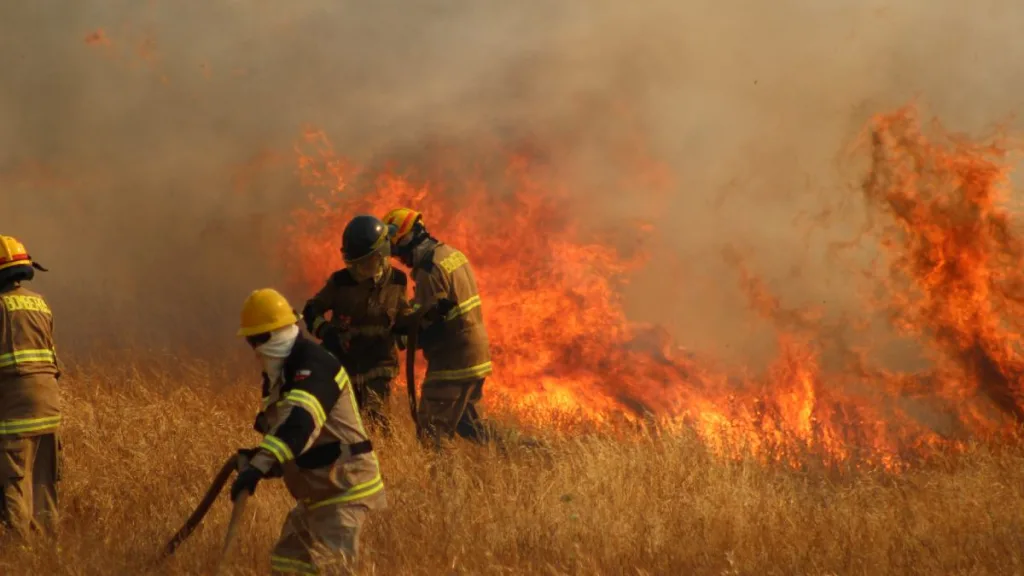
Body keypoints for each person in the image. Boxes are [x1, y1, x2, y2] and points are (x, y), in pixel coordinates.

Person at [230, 288, 386, 574]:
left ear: (276, 333)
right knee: (286, 563)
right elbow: (289, 441)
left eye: (257, 340)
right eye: (251, 341)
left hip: (346, 493)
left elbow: (299, 427)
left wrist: (259, 466)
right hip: (318, 495)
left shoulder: (314, 366)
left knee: (331, 569)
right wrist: (257, 462)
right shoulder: (282, 374)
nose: (255, 350)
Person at [381, 208, 492, 446]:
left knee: (432, 433)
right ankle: (523, 451)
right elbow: (440, 306)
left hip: (453, 361)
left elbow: (434, 327)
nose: (400, 259)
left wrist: (399, 339)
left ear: (406, 239)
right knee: (471, 426)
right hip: (477, 354)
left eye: (397, 251)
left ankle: (444, 475)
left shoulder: (429, 270)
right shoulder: (451, 254)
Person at [301, 215, 410, 433]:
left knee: (379, 425)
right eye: (354, 264)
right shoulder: (340, 282)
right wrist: (325, 331)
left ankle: (383, 454)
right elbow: (311, 310)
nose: (358, 270)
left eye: (364, 263)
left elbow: (402, 315)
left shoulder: (398, 281)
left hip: (380, 366)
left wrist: (412, 324)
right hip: (345, 366)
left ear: (380, 255)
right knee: (344, 426)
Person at [0, 235, 61, 540]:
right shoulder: (40, 304)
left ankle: (20, 555)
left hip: (16, 412)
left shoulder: (0, 306)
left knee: (12, 484)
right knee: (43, 486)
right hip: (49, 408)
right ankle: (51, 551)